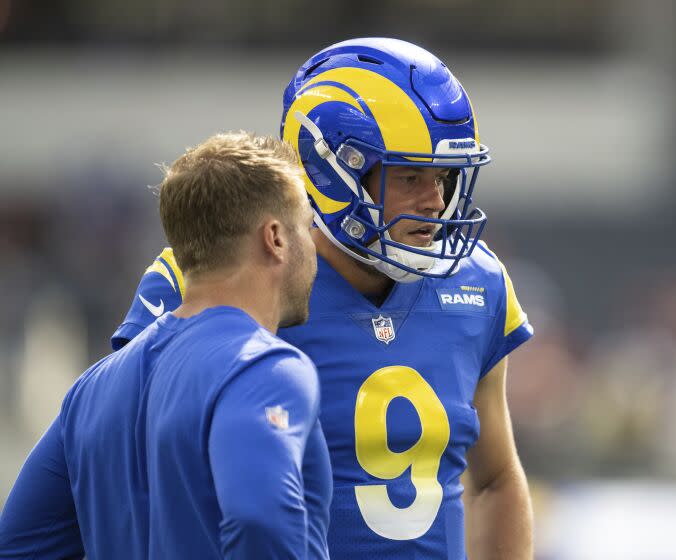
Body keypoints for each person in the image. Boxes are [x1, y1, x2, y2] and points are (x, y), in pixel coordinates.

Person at [112, 38, 533, 559]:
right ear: (334, 173)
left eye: (444, 177)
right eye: (410, 177)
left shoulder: (478, 283)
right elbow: (120, 463)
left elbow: (494, 478)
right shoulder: (219, 277)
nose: (438, 202)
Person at [0, 132, 331, 559]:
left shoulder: (90, 391)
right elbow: (257, 519)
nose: (314, 245)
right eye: (306, 226)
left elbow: (18, 546)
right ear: (276, 238)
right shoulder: (265, 368)